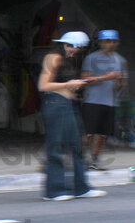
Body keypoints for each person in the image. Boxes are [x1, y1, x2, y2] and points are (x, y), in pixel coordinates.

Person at [38, 31, 106, 200]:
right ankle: (54, 191)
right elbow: (43, 85)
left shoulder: (69, 59)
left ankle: (81, 188)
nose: (73, 52)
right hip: (56, 104)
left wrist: (78, 84)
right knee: (56, 148)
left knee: (77, 147)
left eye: (77, 49)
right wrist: (68, 84)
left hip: (68, 104)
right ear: (65, 44)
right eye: (72, 48)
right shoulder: (53, 57)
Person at [81, 30, 127, 169]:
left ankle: (95, 159)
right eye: (107, 41)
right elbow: (84, 80)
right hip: (92, 100)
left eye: (113, 41)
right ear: (100, 42)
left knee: (101, 134)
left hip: (109, 101)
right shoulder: (91, 58)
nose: (110, 44)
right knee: (88, 134)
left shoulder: (120, 60)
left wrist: (119, 82)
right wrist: (104, 77)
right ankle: (81, 157)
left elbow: (119, 84)